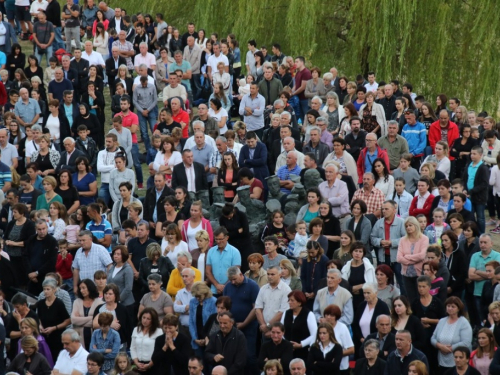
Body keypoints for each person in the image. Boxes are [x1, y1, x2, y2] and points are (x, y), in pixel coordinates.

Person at [429, 296, 473, 371]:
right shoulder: (442, 321)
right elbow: (433, 338)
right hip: (442, 361)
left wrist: (450, 349)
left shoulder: (463, 322)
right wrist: (439, 346)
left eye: (453, 306)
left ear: (458, 308)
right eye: (448, 306)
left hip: (458, 362)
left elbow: (466, 342)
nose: (450, 308)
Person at [33, 278, 71, 360]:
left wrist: (54, 328)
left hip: (57, 337)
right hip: (44, 336)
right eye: (44, 289)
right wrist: (40, 326)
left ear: (54, 290)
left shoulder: (59, 303)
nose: (45, 291)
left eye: (48, 289)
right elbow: (38, 317)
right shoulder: (40, 303)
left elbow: (67, 320)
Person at [71, 279, 102, 351]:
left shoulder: (99, 303)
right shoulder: (77, 302)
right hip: (79, 337)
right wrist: (92, 318)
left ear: (90, 287)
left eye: (83, 288)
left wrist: (80, 320)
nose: (81, 290)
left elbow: (98, 322)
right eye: (80, 288)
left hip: (95, 336)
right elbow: (73, 320)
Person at [130, 307, 162, 374]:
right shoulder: (136, 329)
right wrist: (136, 363)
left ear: (153, 320)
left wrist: (149, 365)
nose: (145, 320)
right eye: (143, 317)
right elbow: (132, 348)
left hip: (153, 365)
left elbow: (159, 351)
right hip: (138, 364)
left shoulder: (159, 332)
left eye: (148, 319)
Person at [188, 281, 216, 354]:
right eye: (196, 296)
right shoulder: (192, 301)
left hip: (210, 339)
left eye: (199, 296)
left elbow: (214, 322)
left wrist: (207, 338)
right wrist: (195, 339)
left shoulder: (213, 301)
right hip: (197, 339)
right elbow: (191, 321)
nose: (197, 298)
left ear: (205, 293)